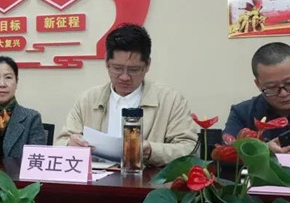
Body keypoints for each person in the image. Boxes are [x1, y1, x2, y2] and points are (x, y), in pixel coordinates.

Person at [58, 23, 198, 167]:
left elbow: (189, 149)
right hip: (97, 179)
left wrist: (152, 151)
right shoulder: (88, 100)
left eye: (133, 70)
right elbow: (61, 142)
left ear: (147, 65)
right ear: (106, 62)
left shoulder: (170, 100)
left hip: (145, 180)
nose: (124, 77)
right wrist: (70, 144)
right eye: (117, 68)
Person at [224, 42, 290, 155]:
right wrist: (261, 150)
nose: (283, 94)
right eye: (272, 87)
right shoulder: (242, 113)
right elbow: (223, 153)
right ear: (258, 84)